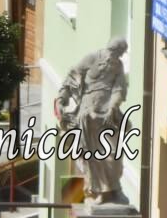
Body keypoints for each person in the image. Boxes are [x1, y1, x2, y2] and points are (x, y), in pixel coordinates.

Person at [55, 38, 130, 205]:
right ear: (111, 49)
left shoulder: (118, 66)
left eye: (120, 54)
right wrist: (62, 99)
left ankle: (115, 190)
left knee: (114, 154)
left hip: (109, 116)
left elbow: (119, 89)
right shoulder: (92, 58)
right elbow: (72, 76)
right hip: (88, 115)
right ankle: (102, 192)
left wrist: (112, 106)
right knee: (95, 156)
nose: (117, 57)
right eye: (117, 53)